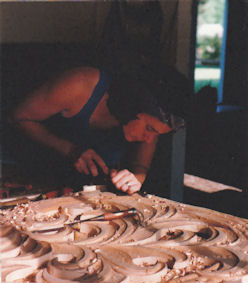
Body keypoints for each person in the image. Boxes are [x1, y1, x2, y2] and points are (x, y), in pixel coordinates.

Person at [8, 66, 184, 194]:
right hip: (20, 175)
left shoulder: (152, 124)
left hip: (71, 191)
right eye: (149, 128)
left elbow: (140, 168)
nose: (149, 139)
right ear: (135, 105)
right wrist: (70, 150)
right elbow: (17, 117)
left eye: (156, 134)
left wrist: (134, 180)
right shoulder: (79, 85)